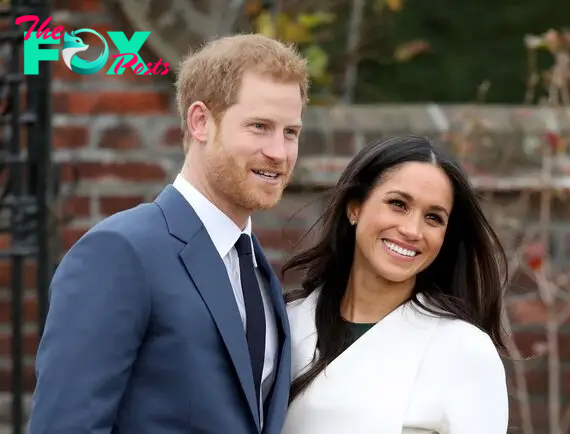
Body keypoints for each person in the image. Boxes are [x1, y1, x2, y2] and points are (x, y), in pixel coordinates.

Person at [28, 34, 309, 434]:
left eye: (291, 132)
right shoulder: (120, 252)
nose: (279, 152)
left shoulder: (258, 270)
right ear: (200, 122)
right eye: (259, 127)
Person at [280, 135, 509, 434]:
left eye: (433, 218)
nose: (412, 230)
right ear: (355, 208)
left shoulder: (463, 350)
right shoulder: (285, 324)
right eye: (398, 204)